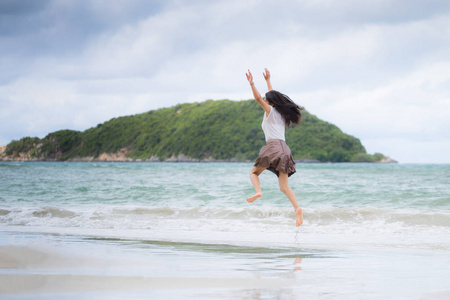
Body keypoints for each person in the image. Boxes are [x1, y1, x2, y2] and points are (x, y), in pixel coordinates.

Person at [245, 68, 304, 226]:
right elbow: (271, 96)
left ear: (269, 103)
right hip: (285, 149)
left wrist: (252, 83)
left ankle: (258, 191)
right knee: (284, 187)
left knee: (253, 173)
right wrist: (268, 81)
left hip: (273, 147)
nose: (264, 101)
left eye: (266, 100)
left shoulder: (270, 111)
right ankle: (297, 208)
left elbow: (258, 98)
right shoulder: (280, 113)